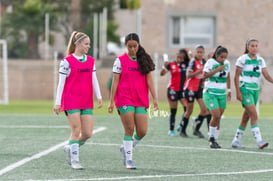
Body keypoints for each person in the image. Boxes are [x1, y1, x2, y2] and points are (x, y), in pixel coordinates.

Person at [108, 33, 158, 169]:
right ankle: (129, 159)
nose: (132, 49)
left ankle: (126, 147)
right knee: (129, 129)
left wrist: (154, 98)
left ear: (138, 45)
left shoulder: (144, 60)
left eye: (135, 46)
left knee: (142, 131)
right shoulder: (119, 61)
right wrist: (111, 101)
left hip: (141, 99)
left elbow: (150, 81)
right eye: (129, 47)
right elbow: (115, 81)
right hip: (124, 98)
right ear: (125, 46)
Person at [53, 31, 103, 169]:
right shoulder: (66, 62)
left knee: (87, 133)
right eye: (86, 44)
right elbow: (61, 83)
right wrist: (58, 102)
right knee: (76, 131)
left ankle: (70, 147)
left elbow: (94, 79)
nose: (88, 46)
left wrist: (98, 96)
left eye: (89, 44)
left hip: (86, 101)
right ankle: (75, 160)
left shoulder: (91, 61)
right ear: (78, 44)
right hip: (71, 100)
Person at [231, 38, 273, 149]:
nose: (254, 48)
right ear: (247, 47)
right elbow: (236, 77)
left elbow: (267, 76)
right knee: (254, 115)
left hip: (255, 91)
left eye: (256, 46)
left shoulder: (261, 60)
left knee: (246, 117)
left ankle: (236, 140)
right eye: (252, 46)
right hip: (245, 90)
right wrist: (238, 92)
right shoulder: (242, 59)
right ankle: (259, 141)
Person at [179, 45, 210, 138]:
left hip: (199, 88)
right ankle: (182, 130)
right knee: (189, 110)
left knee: (204, 110)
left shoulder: (204, 62)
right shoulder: (193, 62)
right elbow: (189, 75)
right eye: (198, 52)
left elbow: (204, 75)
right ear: (196, 52)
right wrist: (200, 70)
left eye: (201, 52)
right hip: (190, 88)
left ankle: (196, 129)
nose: (200, 54)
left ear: (204, 53)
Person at [203, 46, 231, 148]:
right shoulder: (211, 62)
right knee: (216, 115)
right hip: (210, 93)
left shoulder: (227, 64)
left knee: (218, 118)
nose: (223, 59)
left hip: (221, 94)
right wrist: (217, 70)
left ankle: (215, 140)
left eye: (225, 57)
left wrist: (229, 90)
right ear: (216, 56)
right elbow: (204, 75)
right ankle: (211, 138)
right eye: (221, 57)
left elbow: (228, 77)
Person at [160, 49, 190, 136]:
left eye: (181, 58)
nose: (179, 59)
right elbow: (162, 74)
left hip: (182, 91)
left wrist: (188, 51)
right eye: (178, 57)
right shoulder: (171, 64)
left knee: (187, 108)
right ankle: (171, 129)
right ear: (176, 57)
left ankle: (181, 124)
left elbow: (192, 59)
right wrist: (164, 67)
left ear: (183, 58)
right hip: (172, 90)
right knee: (174, 110)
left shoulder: (185, 65)